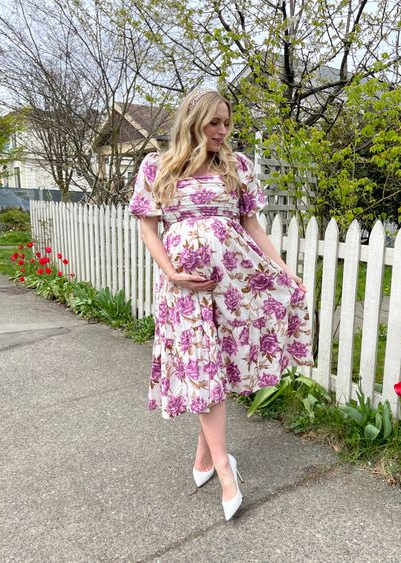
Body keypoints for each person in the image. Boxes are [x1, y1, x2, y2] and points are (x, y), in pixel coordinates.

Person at [128, 88, 313, 521]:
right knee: (202, 365)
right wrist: (172, 272)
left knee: (216, 366)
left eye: (227, 123)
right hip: (182, 289)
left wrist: (284, 271)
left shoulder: (238, 165)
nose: (223, 131)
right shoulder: (156, 166)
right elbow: (149, 230)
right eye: (215, 123)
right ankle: (225, 468)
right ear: (194, 121)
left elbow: (252, 225)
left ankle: (204, 458)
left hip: (233, 282)